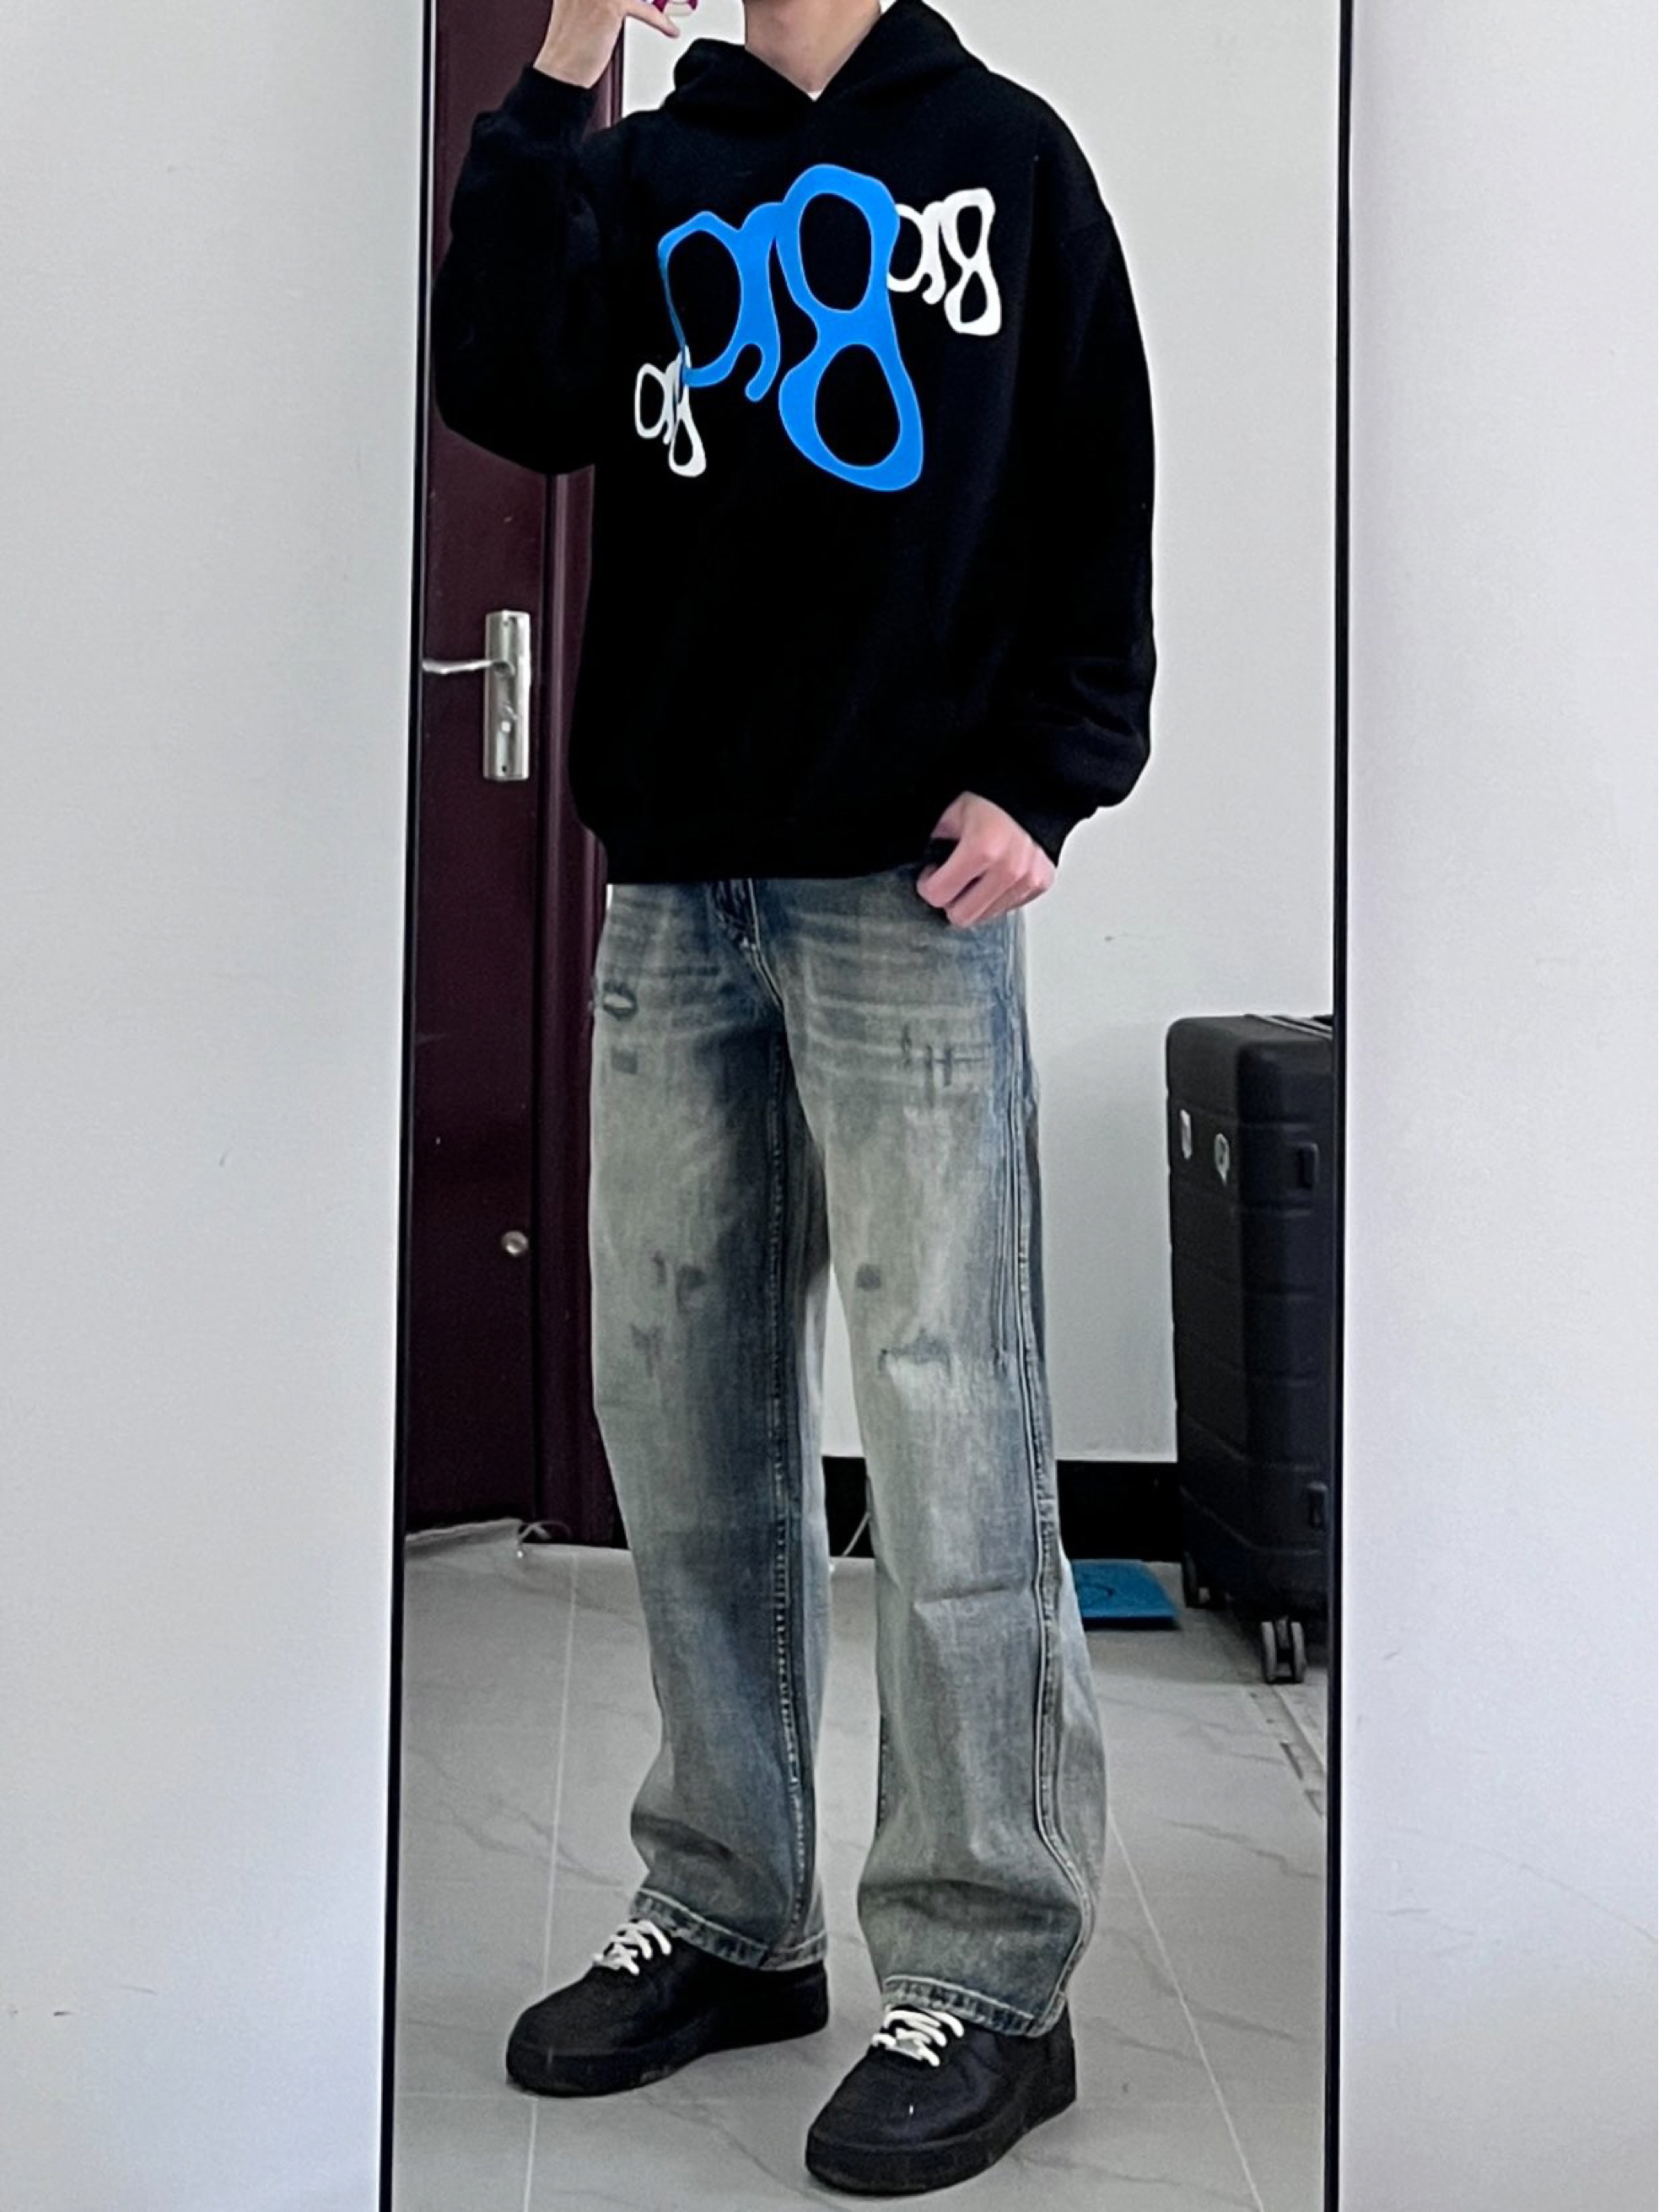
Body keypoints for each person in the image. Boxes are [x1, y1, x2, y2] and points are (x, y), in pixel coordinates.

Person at [431, 0, 1155, 2191]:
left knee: (949, 1419)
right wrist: (559, 64)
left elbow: (1095, 476)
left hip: (906, 897)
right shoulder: (646, 169)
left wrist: (1054, 771)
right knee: (679, 1411)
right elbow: (506, 382)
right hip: (678, 889)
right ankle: (733, 1916)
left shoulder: (1006, 155)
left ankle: (993, 1971)